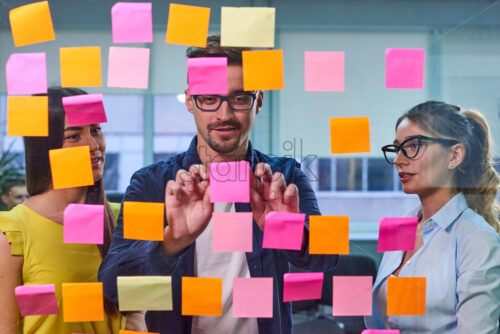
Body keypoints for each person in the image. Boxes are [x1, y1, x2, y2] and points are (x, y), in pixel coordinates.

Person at [99, 35, 338, 334]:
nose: (224, 115)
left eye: (239, 99)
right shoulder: (152, 184)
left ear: (258, 101)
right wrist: (170, 242)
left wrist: (286, 230)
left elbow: (326, 259)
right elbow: (112, 288)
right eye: (209, 99)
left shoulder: (284, 176)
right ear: (190, 100)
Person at [365, 101, 500, 333]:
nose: (399, 160)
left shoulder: (478, 240)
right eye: (397, 148)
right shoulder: (399, 229)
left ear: (454, 156)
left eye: (413, 146)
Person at [0, 87, 121, 334]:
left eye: (96, 130)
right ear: (45, 149)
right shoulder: (12, 233)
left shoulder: (124, 219)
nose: (93, 145)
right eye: (73, 136)